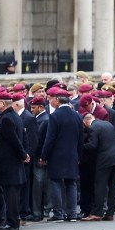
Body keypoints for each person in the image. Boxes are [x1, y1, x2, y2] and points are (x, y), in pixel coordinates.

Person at [41, 88, 82, 222]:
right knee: (71, 183)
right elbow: (80, 138)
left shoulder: (55, 116)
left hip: (57, 155)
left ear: (57, 100)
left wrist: (44, 155)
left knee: (55, 182)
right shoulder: (77, 115)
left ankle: (58, 213)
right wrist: (79, 155)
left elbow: (50, 138)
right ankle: (72, 213)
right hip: (72, 154)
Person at [0, 92, 28, 230]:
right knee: (11, 192)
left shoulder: (6, 119)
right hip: (13, 160)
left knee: (10, 193)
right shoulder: (13, 116)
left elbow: (13, 140)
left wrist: (23, 154)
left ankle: (12, 220)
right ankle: (12, 219)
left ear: (3, 103)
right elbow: (23, 138)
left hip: (9, 161)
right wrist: (24, 153)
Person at [81, 113, 115, 221]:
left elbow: (92, 145)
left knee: (100, 185)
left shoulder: (93, 127)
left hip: (105, 160)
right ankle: (110, 213)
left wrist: (81, 146)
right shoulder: (108, 124)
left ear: (86, 122)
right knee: (114, 187)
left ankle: (97, 213)